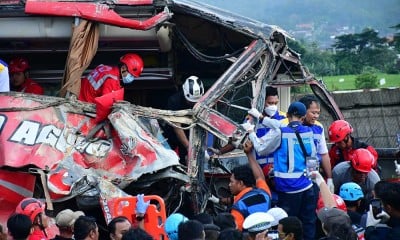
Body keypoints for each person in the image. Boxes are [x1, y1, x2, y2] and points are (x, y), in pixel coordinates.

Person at [246, 101, 319, 240]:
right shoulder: (309, 132)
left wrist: (250, 132)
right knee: (308, 225)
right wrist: (261, 117)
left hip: (288, 190)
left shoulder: (282, 132)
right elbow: (313, 160)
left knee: (287, 227)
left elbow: (261, 149)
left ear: (287, 115)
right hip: (308, 187)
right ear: (303, 118)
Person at [211, 140, 271, 231]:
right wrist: (249, 154)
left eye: (231, 182)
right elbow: (259, 177)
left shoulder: (238, 208)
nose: (229, 185)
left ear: (241, 183)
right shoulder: (264, 194)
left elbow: (235, 233)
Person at [163, 75, 204, 164]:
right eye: (190, 101)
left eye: (195, 102)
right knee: (169, 158)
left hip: (190, 132)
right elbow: (177, 127)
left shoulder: (203, 102)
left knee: (188, 161)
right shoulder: (174, 101)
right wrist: (188, 147)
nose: (192, 104)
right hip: (173, 133)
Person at [299, 95, 334, 192]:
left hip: (313, 173)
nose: (316, 116)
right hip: (297, 176)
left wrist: (329, 178)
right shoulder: (291, 127)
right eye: (313, 112)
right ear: (303, 111)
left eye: (318, 113)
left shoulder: (319, 127)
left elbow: (324, 153)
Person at [78, 53, 143, 103]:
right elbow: (106, 105)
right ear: (123, 67)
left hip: (78, 95)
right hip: (83, 104)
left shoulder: (105, 68)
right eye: (131, 75)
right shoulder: (112, 80)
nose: (132, 78)